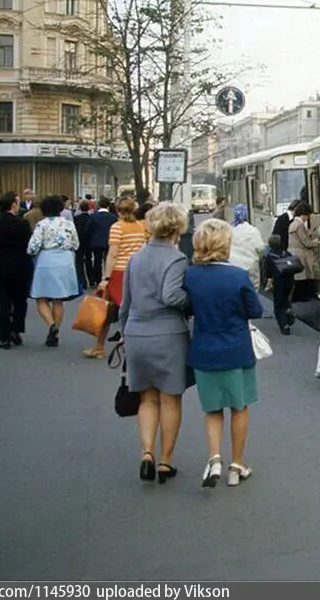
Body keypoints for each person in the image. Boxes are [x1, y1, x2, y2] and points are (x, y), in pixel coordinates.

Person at [184, 219, 263, 489]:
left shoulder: (190, 276)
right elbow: (255, 310)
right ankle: (236, 465)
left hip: (204, 351)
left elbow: (187, 308)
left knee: (212, 410)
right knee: (239, 408)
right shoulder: (237, 276)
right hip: (236, 350)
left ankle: (214, 458)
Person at [118, 203, 192, 484]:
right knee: (170, 398)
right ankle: (165, 461)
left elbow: (125, 303)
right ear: (176, 229)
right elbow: (172, 296)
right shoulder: (176, 259)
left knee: (146, 398)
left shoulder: (136, 258)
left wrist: (125, 332)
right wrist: (190, 302)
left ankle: (146, 452)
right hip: (168, 335)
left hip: (137, 333)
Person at [94, 198, 148, 359]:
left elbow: (113, 254)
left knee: (108, 311)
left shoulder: (117, 227)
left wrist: (106, 277)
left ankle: (99, 347)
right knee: (133, 310)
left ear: (117, 211)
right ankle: (135, 347)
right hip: (136, 271)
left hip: (118, 272)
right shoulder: (141, 227)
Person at [0, 192, 33, 349]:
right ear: (13, 204)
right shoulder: (22, 224)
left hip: (1, 265)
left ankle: (4, 337)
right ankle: (16, 330)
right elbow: (29, 242)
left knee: (2, 302)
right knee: (20, 301)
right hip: (20, 266)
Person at [27, 195, 81, 347]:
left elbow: (33, 247)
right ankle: (56, 329)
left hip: (47, 260)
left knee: (41, 298)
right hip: (65, 261)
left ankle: (51, 325)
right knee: (59, 299)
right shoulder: (69, 224)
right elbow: (76, 244)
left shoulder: (42, 225)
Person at [287, 202, 320, 302]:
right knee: (302, 277)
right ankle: (301, 297)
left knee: (298, 277)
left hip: (294, 252)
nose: (307, 218)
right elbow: (307, 242)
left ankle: (298, 297)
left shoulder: (293, 224)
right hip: (300, 254)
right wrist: (319, 242)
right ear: (304, 214)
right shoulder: (299, 225)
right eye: (307, 216)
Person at [262, 235, 295, 335]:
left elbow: (268, 273)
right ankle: (288, 311)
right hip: (289, 281)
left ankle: (284, 326)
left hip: (278, 283)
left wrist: (267, 284)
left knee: (278, 304)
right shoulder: (286, 253)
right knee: (285, 299)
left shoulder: (269, 256)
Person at [228, 204, 266, 289]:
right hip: (251, 266)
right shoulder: (253, 230)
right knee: (252, 290)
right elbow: (261, 248)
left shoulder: (230, 231)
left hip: (234, 266)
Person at [88, 197, 117, 285]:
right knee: (109, 259)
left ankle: (98, 279)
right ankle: (109, 277)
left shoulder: (93, 216)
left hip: (96, 242)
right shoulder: (113, 217)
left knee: (97, 261)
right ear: (108, 206)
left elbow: (88, 229)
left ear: (99, 205)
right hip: (110, 241)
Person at [73, 199, 93, 289]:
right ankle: (91, 280)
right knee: (89, 260)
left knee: (79, 262)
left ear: (80, 208)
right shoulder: (91, 218)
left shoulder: (76, 218)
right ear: (88, 208)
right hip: (89, 242)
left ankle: (82, 281)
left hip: (79, 242)